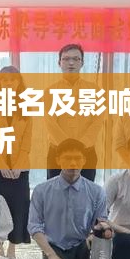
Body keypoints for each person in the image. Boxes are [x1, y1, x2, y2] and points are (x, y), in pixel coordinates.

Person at [28, 139, 108, 259]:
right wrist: (50, 255)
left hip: (83, 244)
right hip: (56, 245)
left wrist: (94, 234)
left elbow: (101, 221)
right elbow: (34, 226)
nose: (73, 163)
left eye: (77, 158)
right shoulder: (41, 190)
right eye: (67, 158)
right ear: (58, 160)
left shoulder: (96, 191)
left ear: (84, 160)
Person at [45, 44, 103, 181]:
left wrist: (81, 145)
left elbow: (98, 121)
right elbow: (50, 123)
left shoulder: (94, 90)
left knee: (86, 191)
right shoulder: (50, 91)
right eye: (66, 59)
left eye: (76, 59)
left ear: (82, 63)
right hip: (57, 153)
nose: (71, 63)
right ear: (59, 63)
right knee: (55, 191)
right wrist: (67, 147)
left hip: (86, 152)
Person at [0, 66, 32, 259]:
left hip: (20, 167)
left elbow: (27, 141)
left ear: (19, 83)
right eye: (4, 80)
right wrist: (1, 164)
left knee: (18, 207)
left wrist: (17, 166)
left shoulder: (26, 106)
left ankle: (12, 250)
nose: (8, 84)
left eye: (12, 80)